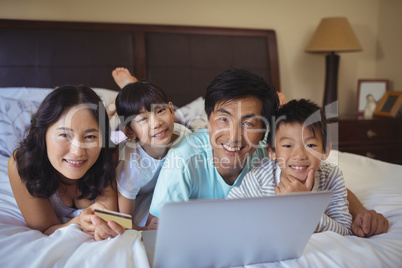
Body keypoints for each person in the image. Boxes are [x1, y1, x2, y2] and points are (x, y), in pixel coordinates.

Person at [147, 69, 388, 237]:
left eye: (249, 123)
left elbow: (327, 181)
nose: (233, 137)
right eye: (223, 119)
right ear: (208, 121)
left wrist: (361, 213)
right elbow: (157, 226)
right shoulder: (183, 159)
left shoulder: (273, 151)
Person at [8, 85, 125, 241]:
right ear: (42, 134)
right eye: (65, 135)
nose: (78, 152)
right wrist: (78, 222)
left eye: (89, 137)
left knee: (127, 134)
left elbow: (109, 219)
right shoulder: (23, 165)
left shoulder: (106, 155)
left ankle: (119, 102)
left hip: (112, 141)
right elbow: (45, 228)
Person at [228, 99, 352, 235]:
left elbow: (345, 231)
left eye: (310, 145)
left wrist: (303, 206)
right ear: (272, 152)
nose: (299, 155)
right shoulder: (261, 177)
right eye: (287, 146)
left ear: (326, 150)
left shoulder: (332, 177)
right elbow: (229, 212)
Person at [114, 81, 191, 230]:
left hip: (171, 134)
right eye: (143, 119)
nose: (156, 123)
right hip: (123, 143)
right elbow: (125, 221)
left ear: (172, 110)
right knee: (110, 140)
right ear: (131, 131)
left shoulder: (185, 137)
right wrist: (144, 229)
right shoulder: (132, 166)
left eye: (161, 111)